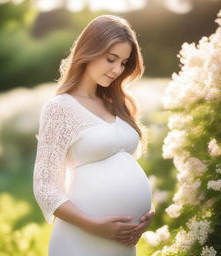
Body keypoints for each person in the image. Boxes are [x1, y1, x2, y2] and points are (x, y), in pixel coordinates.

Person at [33, 14, 155, 256]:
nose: (117, 69)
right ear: (89, 50)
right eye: (111, 59)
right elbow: (45, 187)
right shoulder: (60, 108)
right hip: (81, 240)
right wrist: (95, 227)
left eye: (123, 62)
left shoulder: (118, 104)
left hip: (123, 243)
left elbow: (124, 168)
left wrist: (146, 213)